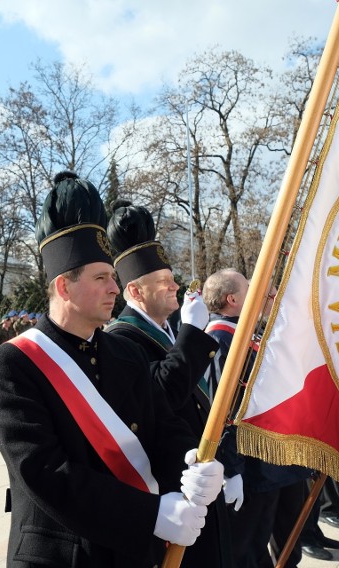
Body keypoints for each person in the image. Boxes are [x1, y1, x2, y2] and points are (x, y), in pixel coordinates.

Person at [0, 171, 224, 567]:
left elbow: (164, 427)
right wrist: (151, 515)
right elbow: (46, 473)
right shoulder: (10, 365)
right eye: (101, 278)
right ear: (64, 287)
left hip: (133, 551)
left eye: (113, 276)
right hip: (65, 556)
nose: (115, 288)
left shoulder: (123, 354)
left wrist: (193, 462)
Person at [104, 200, 233, 567]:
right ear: (135, 292)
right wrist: (192, 333)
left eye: (171, 278)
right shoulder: (121, 339)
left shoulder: (168, 330)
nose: (174, 286)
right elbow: (160, 396)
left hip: (199, 476)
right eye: (162, 282)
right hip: (171, 489)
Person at [203, 268, 315, 567]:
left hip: (273, 464)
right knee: (248, 551)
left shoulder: (242, 334)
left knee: (277, 546)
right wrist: (232, 470)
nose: (258, 292)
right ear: (233, 299)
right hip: (253, 469)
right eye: (248, 288)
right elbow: (222, 413)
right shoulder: (219, 341)